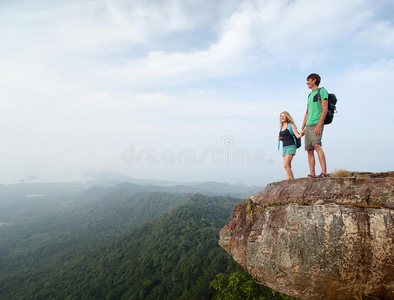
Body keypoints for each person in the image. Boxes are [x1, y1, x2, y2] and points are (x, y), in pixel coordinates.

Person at [300, 73, 328, 178]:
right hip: (308, 125)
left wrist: (319, 125)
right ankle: (312, 173)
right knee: (309, 150)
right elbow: (307, 112)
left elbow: (324, 109)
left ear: (314, 80)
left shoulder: (322, 91)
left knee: (317, 145)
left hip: (317, 123)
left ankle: (324, 172)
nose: (307, 82)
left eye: (308, 80)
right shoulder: (310, 95)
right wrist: (303, 127)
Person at [278, 111, 303, 180]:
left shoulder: (291, 125)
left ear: (287, 117)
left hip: (291, 146)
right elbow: (285, 137)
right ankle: (288, 180)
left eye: (283, 116)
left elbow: (297, 136)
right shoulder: (281, 127)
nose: (282, 118)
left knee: (285, 165)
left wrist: (301, 134)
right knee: (288, 165)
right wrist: (280, 139)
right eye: (281, 116)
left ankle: (292, 180)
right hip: (284, 147)